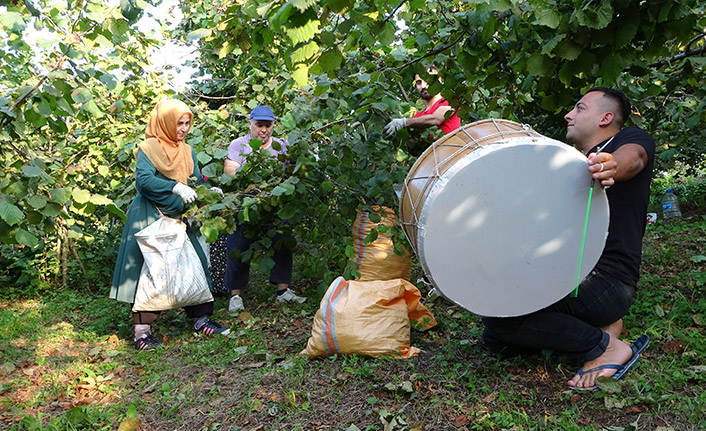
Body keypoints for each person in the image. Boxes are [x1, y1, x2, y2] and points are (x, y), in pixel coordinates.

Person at [482, 87, 655, 391]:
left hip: (607, 281)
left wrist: (610, 165)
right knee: (494, 336)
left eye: (579, 108)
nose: (568, 114)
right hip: (568, 274)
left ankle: (605, 347)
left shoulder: (629, 140)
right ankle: (603, 327)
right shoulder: (566, 163)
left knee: (506, 323)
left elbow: (634, 159)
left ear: (606, 117)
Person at [110, 99, 230, 351]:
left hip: (179, 215)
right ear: (165, 122)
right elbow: (144, 181)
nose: (184, 128)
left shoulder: (187, 150)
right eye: (179, 123)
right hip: (150, 215)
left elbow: (195, 180)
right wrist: (173, 186)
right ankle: (142, 332)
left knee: (194, 261)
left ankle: (201, 319)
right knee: (151, 268)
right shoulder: (148, 147)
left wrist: (208, 190)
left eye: (187, 123)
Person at [223, 105, 306, 313]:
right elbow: (230, 172)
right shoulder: (239, 145)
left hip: (273, 205)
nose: (263, 130)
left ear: (273, 125)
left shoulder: (281, 146)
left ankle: (282, 291)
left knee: (282, 239)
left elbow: (291, 173)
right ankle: (235, 296)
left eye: (267, 125)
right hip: (246, 204)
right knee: (237, 246)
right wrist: (255, 177)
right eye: (259, 125)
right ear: (250, 124)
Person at [383, 73, 461, 139]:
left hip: (454, 154)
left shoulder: (451, 102)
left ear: (439, 80)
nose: (423, 86)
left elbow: (436, 119)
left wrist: (404, 122)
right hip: (433, 156)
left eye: (427, 80)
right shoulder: (418, 117)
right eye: (419, 82)